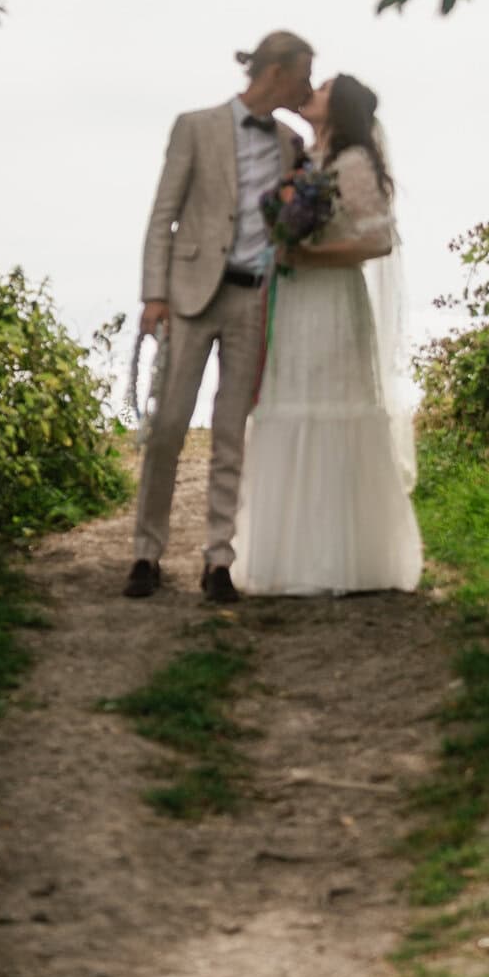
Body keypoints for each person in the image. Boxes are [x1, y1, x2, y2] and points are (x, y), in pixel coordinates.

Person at [123, 31, 313, 603]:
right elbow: (163, 214)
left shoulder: (290, 142)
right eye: (302, 75)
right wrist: (154, 295)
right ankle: (145, 553)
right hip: (188, 295)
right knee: (168, 428)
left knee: (233, 432)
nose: (306, 87)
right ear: (275, 72)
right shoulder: (195, 125)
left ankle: (218, 560)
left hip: (254, 298)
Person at [232, 74, 423, 596]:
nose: (309, 93)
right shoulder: (308, 161)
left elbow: (378, 241)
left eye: (320, 89)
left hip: (332, 300)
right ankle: (290, 558)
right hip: (294, 302)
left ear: (337, 108)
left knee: (332, 408)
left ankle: (343, 560)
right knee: (290, 405)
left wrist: (309, 253)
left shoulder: (354, 163)